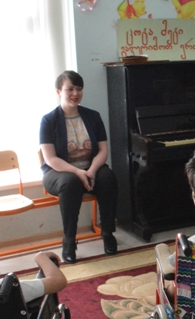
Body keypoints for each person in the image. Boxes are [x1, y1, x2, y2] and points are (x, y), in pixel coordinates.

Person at [40, 70, 119, 263]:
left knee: (108, 177)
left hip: (90, 167)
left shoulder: (93, 116)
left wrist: (91, 171)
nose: (75, 93)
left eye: (79, 89)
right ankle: (69, 240)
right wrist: (77, 172)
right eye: (70, 89)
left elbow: (103, 150)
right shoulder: (48, 120)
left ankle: (107, 233)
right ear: (59, 92)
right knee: (71, 182)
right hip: (58, 172)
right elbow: (50, 158)